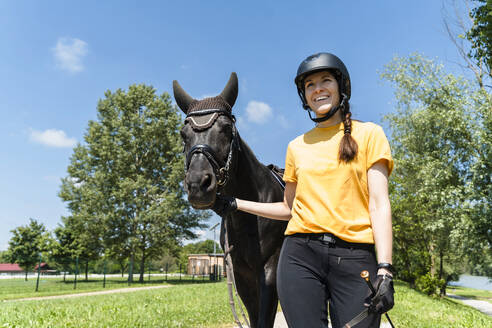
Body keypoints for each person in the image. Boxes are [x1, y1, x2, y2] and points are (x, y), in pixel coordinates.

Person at [214, 52, 395, 328]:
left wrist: (385, 269)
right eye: (310, 85)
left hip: (355, 256)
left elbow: (379, 205)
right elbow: (289, 208)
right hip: (300, 257)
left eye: (325, 81)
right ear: (304, 95)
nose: (318, 89)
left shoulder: (370, 134)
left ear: (341, 87)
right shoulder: (296, 147)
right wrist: (236, 204)